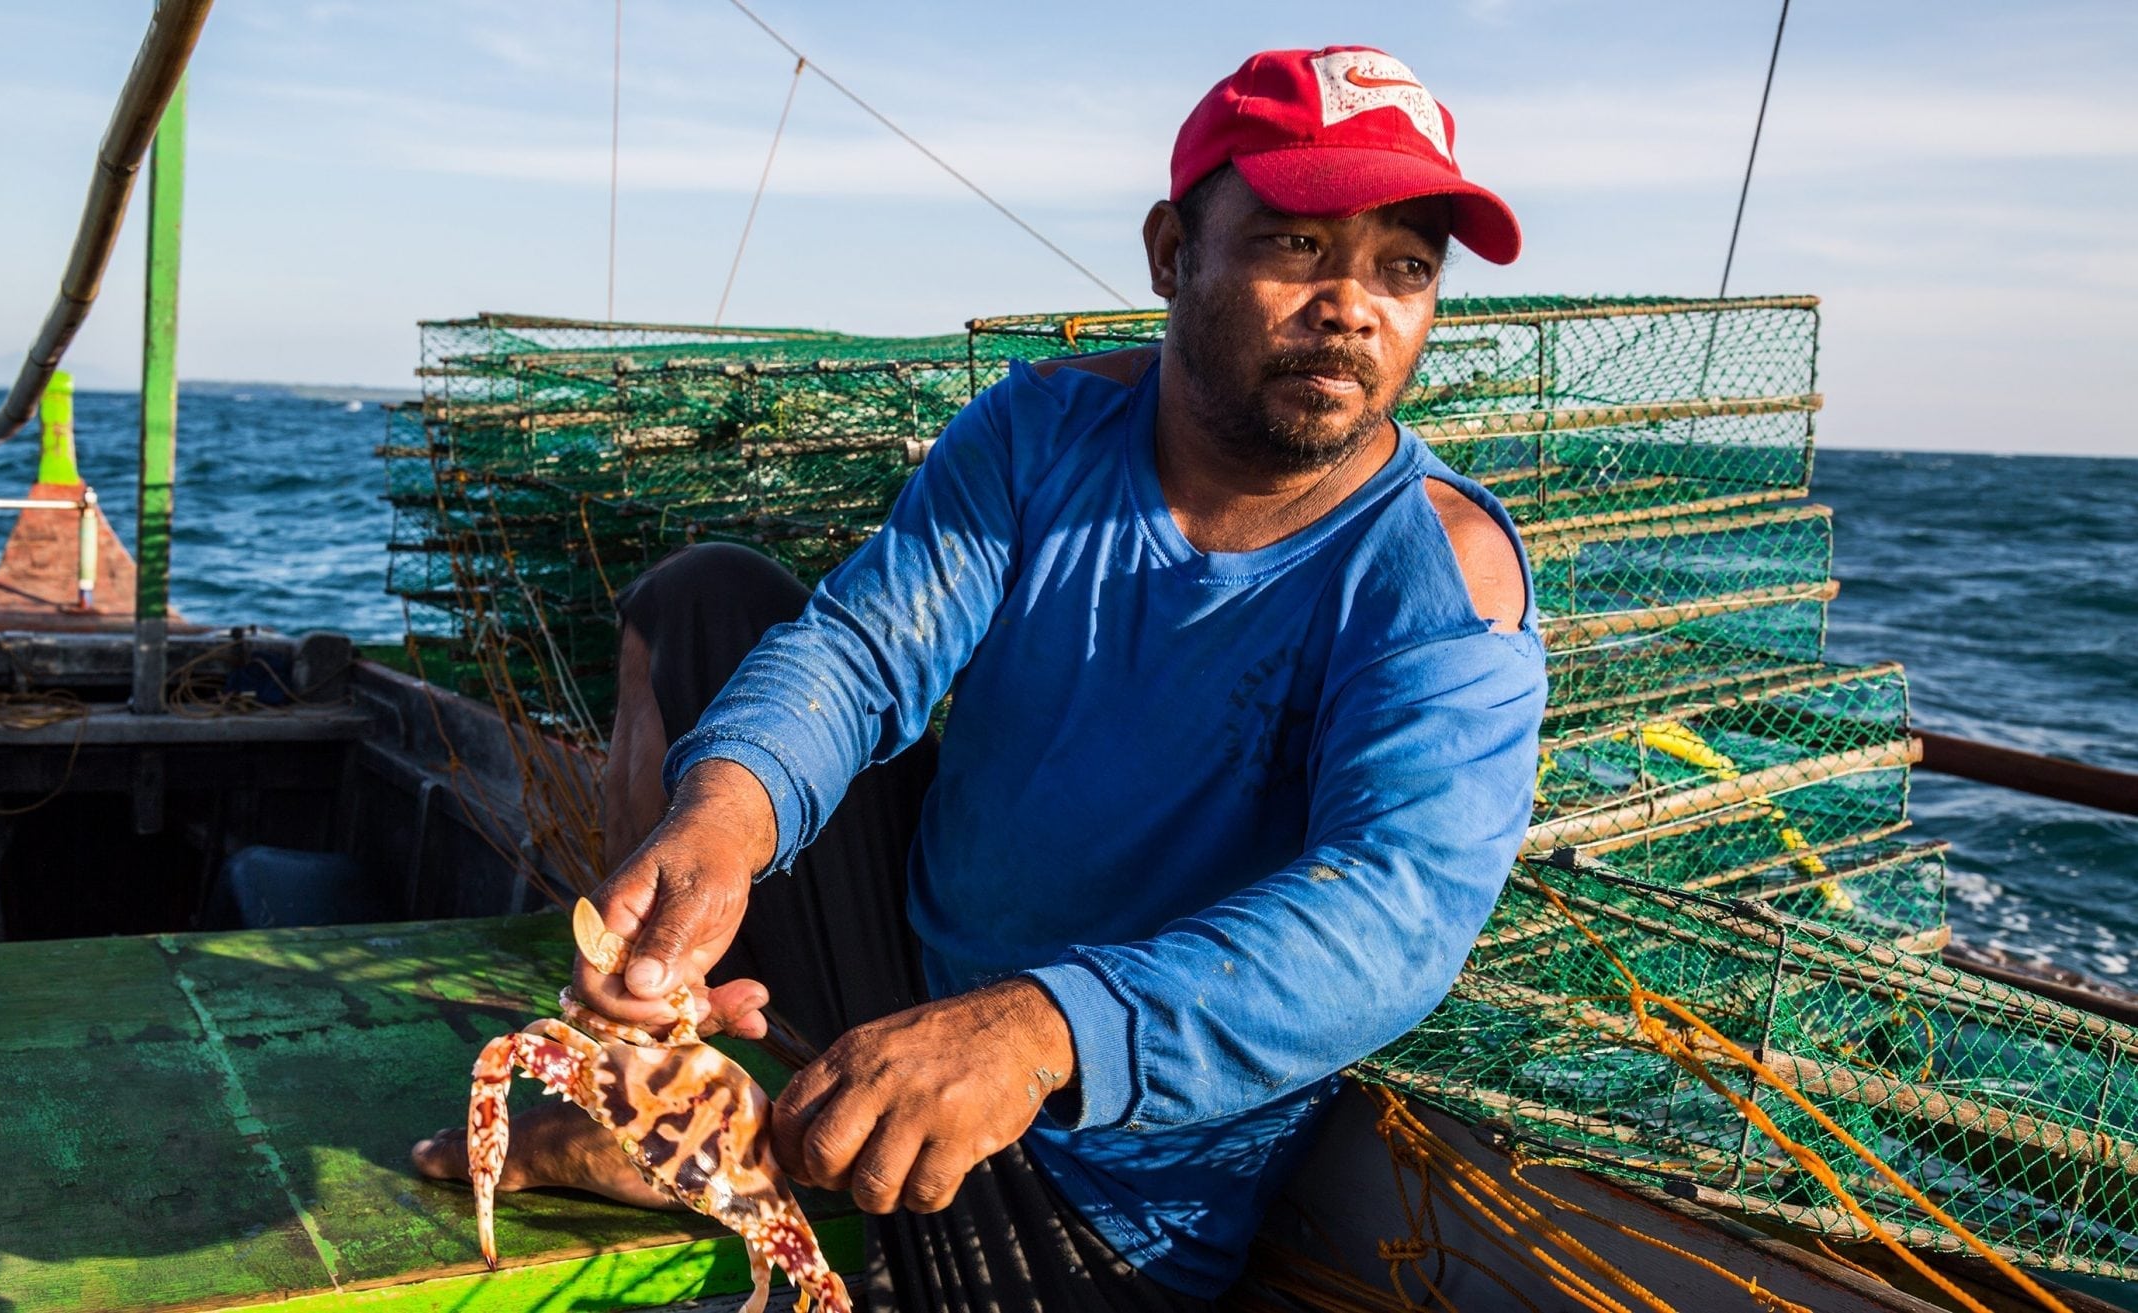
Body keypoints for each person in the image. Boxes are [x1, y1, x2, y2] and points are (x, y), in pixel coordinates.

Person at [414, 44, 1546, 1310]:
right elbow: (861, 651)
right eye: (1298, 246)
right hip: (915, 961)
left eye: (1405, 266)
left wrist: (1040, 1028)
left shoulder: (1442, 574)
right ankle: (668, 1078)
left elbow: (1395, 907)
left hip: (1099, 1180)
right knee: (705, 601)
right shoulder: (1041, 429)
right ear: (1173, 252)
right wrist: (722, 820)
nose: (1353, 305)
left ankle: (772, 1140)